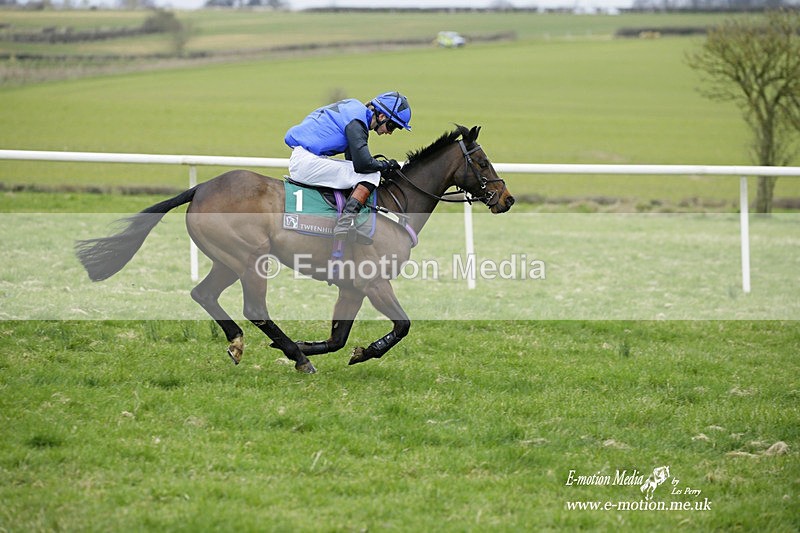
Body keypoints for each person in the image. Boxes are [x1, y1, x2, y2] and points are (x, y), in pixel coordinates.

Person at [284, 91, 412, 243]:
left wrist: (378, 166)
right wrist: (387, 166)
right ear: (382, 116)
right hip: (307, 163)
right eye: (392, 126)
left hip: (305, 158)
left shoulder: (354, 109)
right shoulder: (357, 122)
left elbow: (353, 160)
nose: (389, 132)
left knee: (367, 173)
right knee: (371, 176)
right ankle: (345, 224)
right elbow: (362, 165)